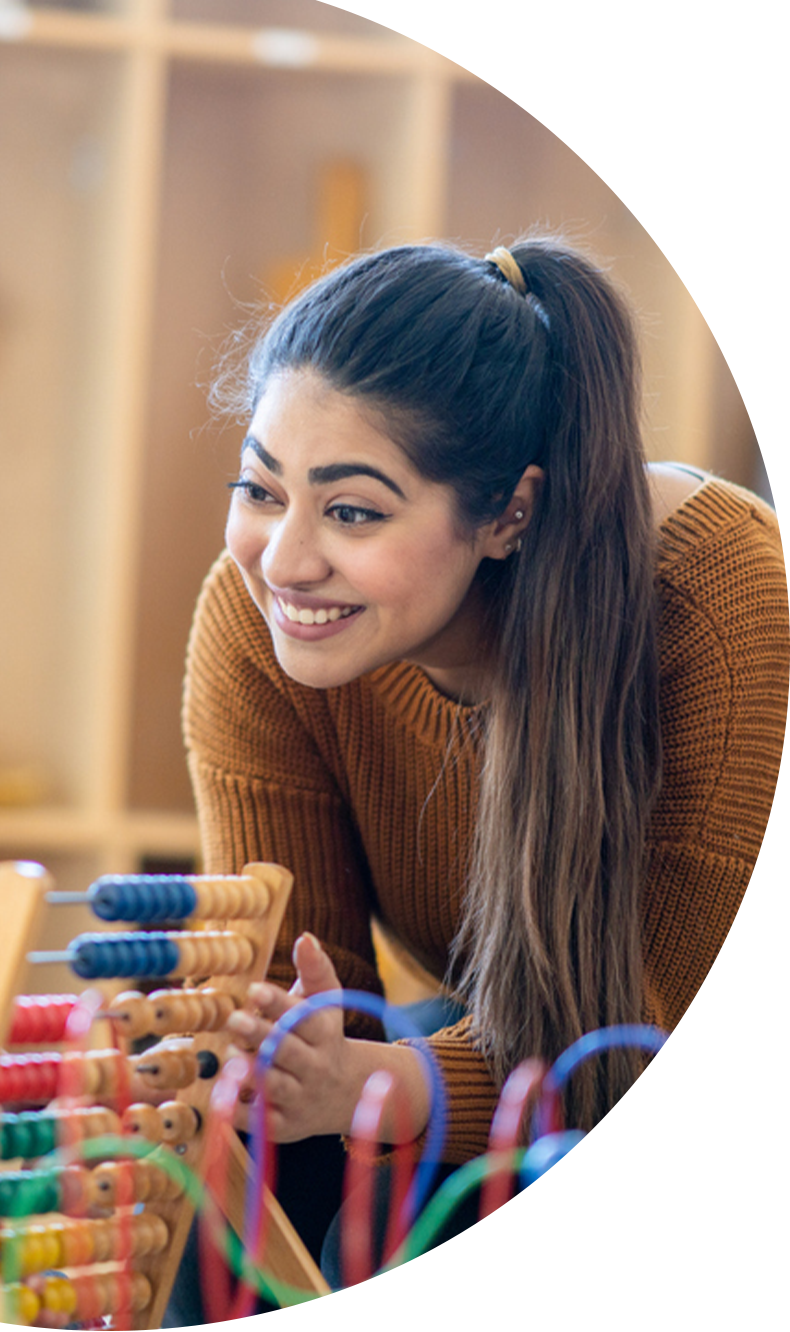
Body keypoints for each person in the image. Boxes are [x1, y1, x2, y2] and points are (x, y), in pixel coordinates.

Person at [180, 238, 790, 1325]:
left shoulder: (719, 595)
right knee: (229, 1185)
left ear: (509, 511)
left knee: (454, 1235)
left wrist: (388, 1080)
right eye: (260, 487)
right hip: (518, 1022)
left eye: (352, 511)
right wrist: (268, 1052)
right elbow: (295, 980)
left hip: (727, 1042)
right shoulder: (263, 614)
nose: (284, 558)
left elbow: (628, 1046)